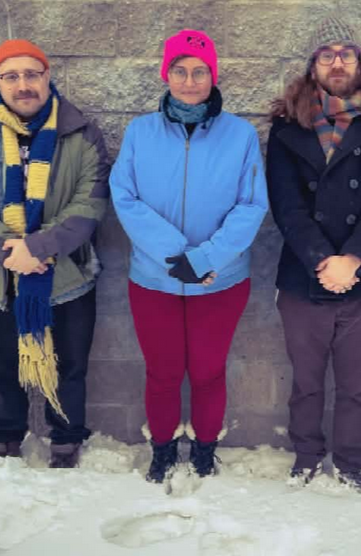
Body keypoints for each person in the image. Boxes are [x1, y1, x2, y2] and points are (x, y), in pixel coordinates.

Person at [0, 39, 110, 471]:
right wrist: (10, 251)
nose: (23, 85)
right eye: (11, 76)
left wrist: (37, 248)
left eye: (32, 74)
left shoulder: (81, 132)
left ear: (47, 76)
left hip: (66, 274)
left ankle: (66, 439)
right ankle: (4, 438)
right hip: (0, 276)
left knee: (70, 366)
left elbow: (90, 201)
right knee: (3, 364)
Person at [110, 29, 268, 484]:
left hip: (219, 279)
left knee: (207, 371)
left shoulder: (239, 135)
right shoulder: (140, 132)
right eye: (179, 71)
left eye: (200, 71)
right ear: (167, 74)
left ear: (212, 76)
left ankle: (204, 448)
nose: (190, 81)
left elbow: (251, 204)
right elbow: (124, 196)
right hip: (153, 278)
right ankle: (161, 448)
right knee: (162, 372)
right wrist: (175, 254)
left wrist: (204, 259)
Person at [266, 17, 361, 493]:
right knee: (306, 382)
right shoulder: (286, 129)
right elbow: (286, 203)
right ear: (313, 67)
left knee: (355, 387)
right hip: (304, 276)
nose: (337, 62)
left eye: (347, 53)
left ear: (360, 64)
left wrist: (353, 260)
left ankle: (349, 463)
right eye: (326, 54)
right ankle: (306, 457)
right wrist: (323, 261)